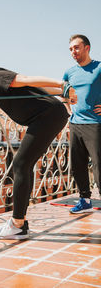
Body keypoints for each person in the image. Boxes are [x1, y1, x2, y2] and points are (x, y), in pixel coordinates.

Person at [0, 48, 76, 239]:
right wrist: (61, 91)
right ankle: (20, 223)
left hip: (47, 116)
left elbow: (26, 80)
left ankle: (17, 224)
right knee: (24, 165)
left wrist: (61, 84)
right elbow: (32, 90)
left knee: (20, 164)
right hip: (50, 115)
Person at [63, 34, 101, 214]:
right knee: (77, 164)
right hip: (75, 124)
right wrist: (68, 109)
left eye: (76, 47)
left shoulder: (99, 68)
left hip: (96, 123)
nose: (73, 52)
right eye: (71, 49)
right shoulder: (69, 72)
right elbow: (62, 92)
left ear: (87, 48)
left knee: (99, 165)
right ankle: (85, 201)